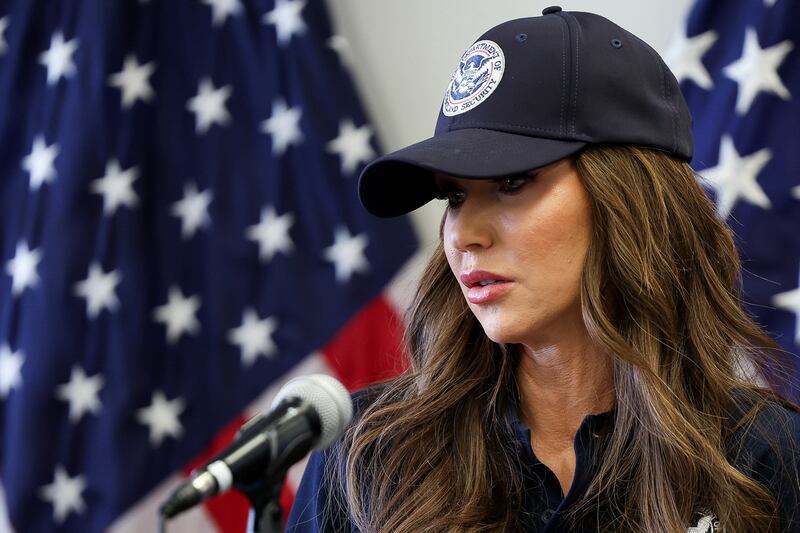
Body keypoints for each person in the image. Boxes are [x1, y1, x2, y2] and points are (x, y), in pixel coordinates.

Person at [286, 7, 800, 532]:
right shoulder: (365, 457)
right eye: (454, 195)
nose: (463, 234)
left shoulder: (766, 457)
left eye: (511, 183)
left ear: (630, 200)